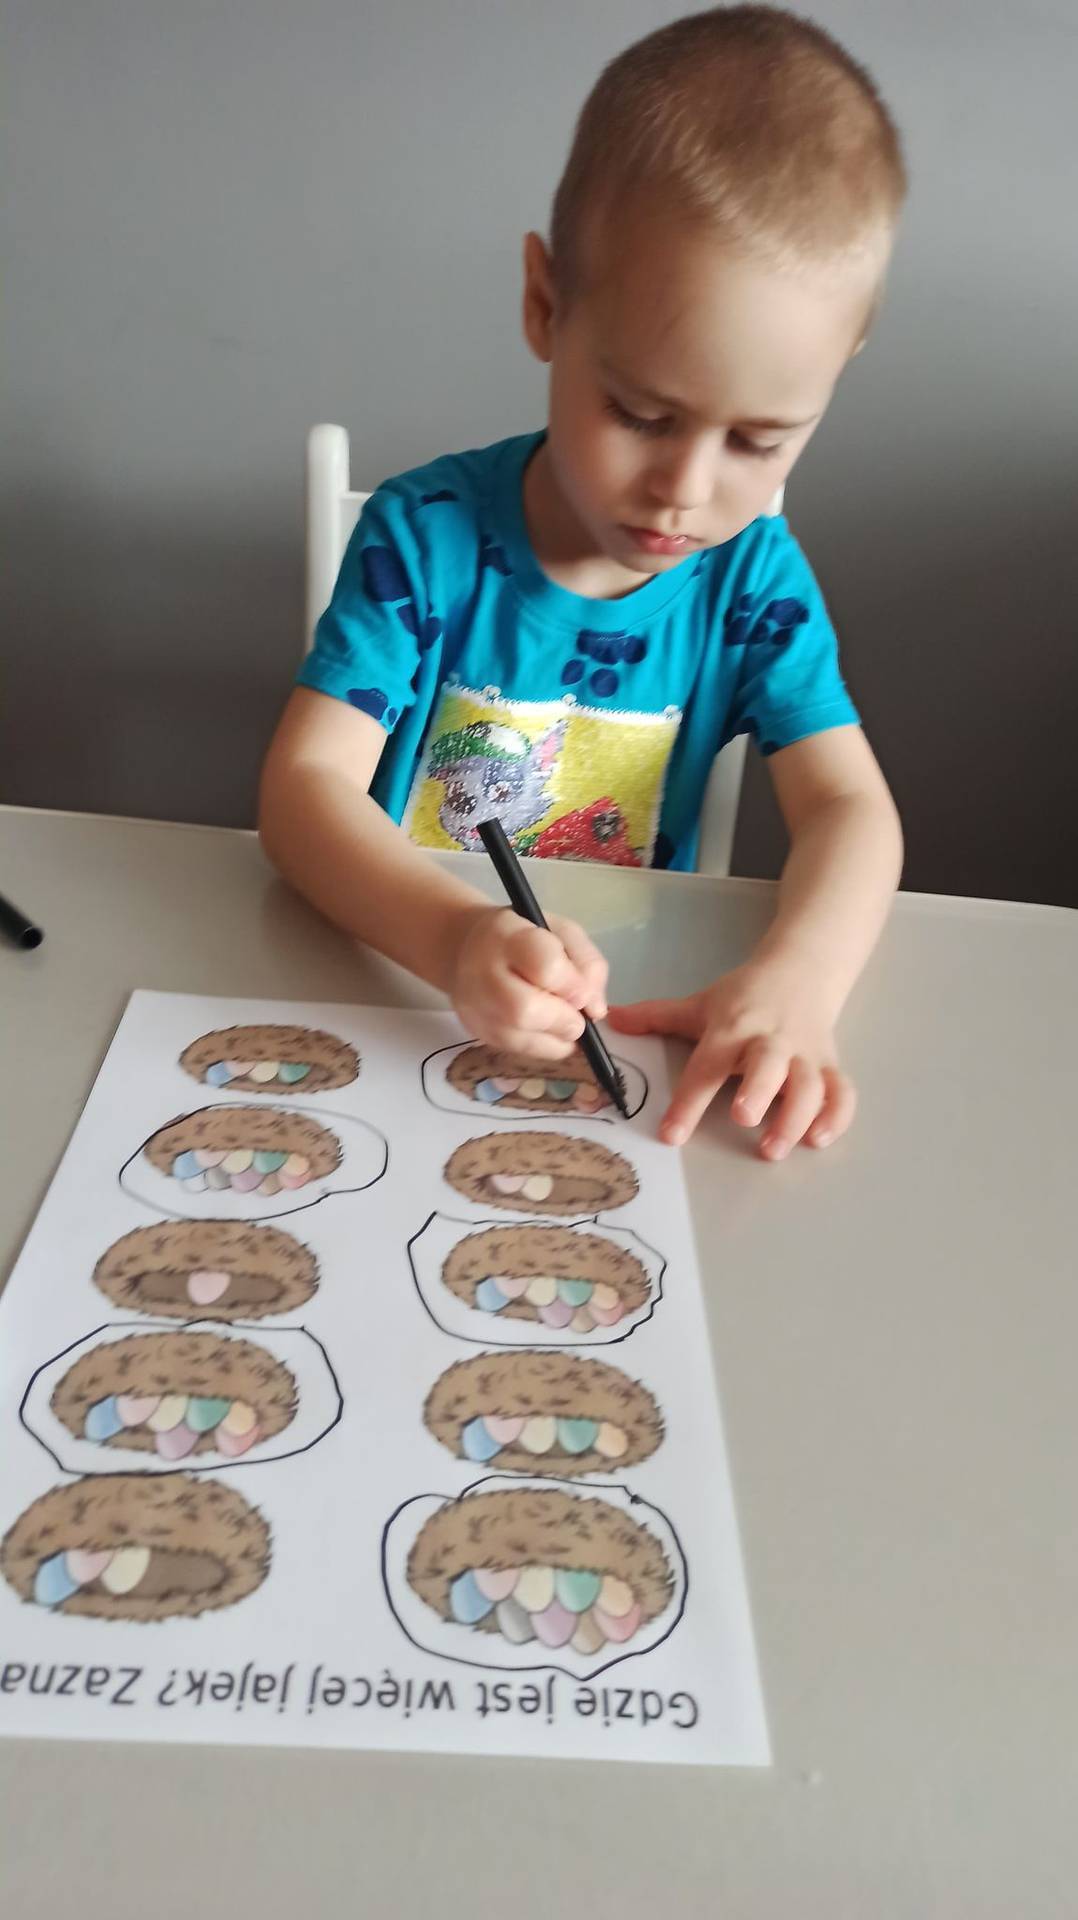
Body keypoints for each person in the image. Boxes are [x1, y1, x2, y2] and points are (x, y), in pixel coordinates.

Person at [259, 5, 905, 1157]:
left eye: (758, 441)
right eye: (642, 415)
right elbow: (304, 790)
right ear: (545, 305)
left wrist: (797, 983)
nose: (683, 492)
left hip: (622, 1044)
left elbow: (850, 810)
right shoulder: (425, 539)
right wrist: (455, 938)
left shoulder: (752, 583)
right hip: (392, 1003)